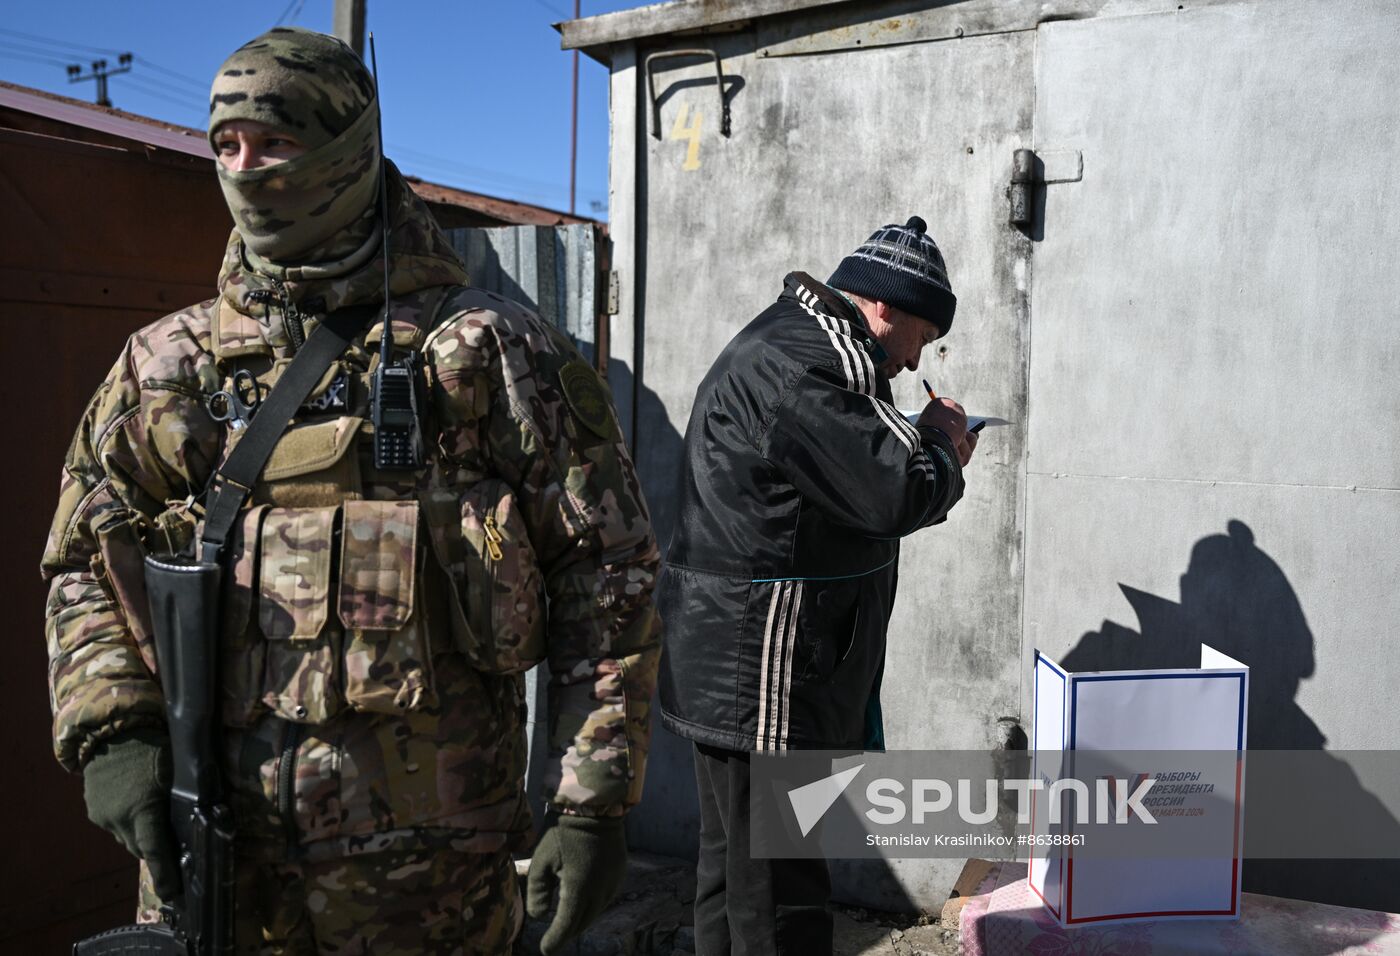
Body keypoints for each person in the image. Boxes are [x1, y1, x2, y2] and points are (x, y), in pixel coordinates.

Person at [41, 28, 660, 955]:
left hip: (432, 878)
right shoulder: (166, 365)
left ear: (349, 149)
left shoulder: (486, 351)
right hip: (217, 857)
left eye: (277, 143)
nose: (248, 171)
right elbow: (85, 557)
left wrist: (593, 800)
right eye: (227, 147)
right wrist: (113, 732)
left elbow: (607, 573)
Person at [655, 217, 977, 954]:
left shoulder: (790, 342)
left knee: (733, 878)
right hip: (766, 678)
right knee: (781, 897)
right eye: (921, 338)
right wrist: (942, 444)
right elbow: (896, 493)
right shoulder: (815, 364)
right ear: (885, 307)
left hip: (736, 668)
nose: (913, 359)